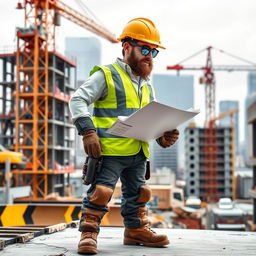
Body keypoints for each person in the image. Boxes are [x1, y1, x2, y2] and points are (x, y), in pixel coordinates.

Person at [69, 17, 179, 255]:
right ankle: (88, 233)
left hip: (139, 152)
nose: (149, 56)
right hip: (109, 152)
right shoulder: (107, 75)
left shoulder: (147, 85)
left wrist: (162, 135)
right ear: (127, 47)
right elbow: (77, 99)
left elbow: (150, 117)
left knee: (140, 194)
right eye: (145, 49)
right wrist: (87, 131)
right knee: (101, 193)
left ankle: (136, 230)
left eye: (154, 51)